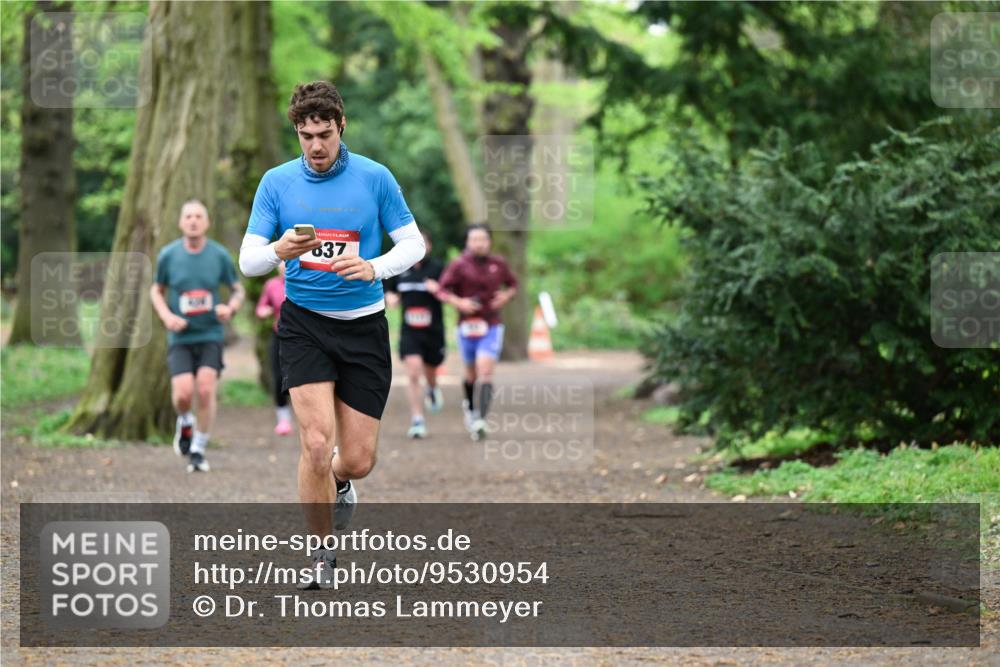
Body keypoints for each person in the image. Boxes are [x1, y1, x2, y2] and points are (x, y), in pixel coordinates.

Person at [238, 81, 425, 588]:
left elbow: (413, 244)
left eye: (324, 134)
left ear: (341, 126)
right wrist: (278, 251)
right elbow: (248, 260)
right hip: (304, 325)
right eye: (306, 137)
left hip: (364, 327)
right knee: (316, 443)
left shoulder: (375, 177)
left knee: (357, 460)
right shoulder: (276, 183)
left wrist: (374, 267)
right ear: (296, 133)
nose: (316, 146)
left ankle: (340, 481)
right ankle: (321, 556)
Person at [150, 199, 244, 473]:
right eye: (188, 216)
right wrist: (167, 316)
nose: (193, 221)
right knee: (182, 395)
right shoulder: (169, 255)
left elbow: (237, 289)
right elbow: (156, 290)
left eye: (198, 216)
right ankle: (185, 421)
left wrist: (230, 308)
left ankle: (198, 450)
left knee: (205, 389)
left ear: (207, 222)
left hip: (210, 334)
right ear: (181, 222)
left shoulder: (219, 255)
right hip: (180, 337)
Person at [435, 223, 518, 441]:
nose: (479, 244)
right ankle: (471, 409)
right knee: (471, 374)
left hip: (491, 324)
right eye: (474, 239)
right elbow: (441, 290)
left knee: (485, 370)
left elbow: (513, 285)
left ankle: (481, 419)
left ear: (489, 241)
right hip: (466, 326)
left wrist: (506, 296)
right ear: (467, 242)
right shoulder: (458, 265)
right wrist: (459, 302)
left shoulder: (499, 264)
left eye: (483, 239)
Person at [384, 230, 446, 439]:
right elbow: (389, 290)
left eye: (424, 243)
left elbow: (451, 293)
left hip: (433, 331)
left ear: (429, 246)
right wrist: (390, 297)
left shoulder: (438, 268)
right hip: (409, 331)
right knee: (412, 372)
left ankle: (432, 387)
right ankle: (417, 419)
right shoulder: (400, 268)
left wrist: (439, 290)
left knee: (430, 369)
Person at [255, 261, 293, 435]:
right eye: (281, 263)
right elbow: (261, 306)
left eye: (287, 262)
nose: (284, 266)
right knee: (278, 377)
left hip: (303, 337)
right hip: (279, 334)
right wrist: (264, 311)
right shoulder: (271, 285)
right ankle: (283, 419)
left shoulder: (304, 282)